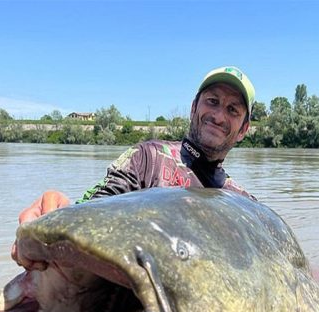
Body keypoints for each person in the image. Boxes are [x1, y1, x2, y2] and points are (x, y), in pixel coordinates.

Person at [14, 66, 256, 266]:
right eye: (212, 101)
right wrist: (61, 213)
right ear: (194, 108)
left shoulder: (246, 206)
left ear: (244, 129)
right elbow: (99, 206)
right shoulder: (147, 158)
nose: (219, 115)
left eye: (233, 110)